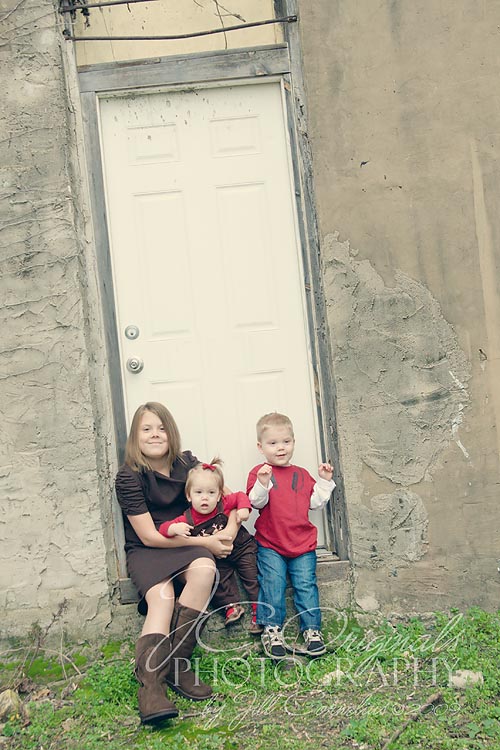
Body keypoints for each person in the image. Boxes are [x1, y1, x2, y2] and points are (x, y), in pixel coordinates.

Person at [115, 402, 236, 725]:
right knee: (163, 598)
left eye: (161, 428)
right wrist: (206, 543)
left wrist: (230, 528)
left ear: (171, 433)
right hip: (148, 548)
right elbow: (149, 536)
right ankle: (151, 687)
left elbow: (230, 497)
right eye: (146, 429)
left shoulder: (188, 464)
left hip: (186, 545)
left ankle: (177, 665)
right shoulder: (129, 476)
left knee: (205, 569)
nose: (155, 434)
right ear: (135, 436)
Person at [246, 412, 335, 660]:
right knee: (272, 584)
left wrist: (324, 481)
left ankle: (312, 630)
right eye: (273, 443)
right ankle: (272, 630)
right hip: (271, 544)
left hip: (302, 544)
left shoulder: (302, 474)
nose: (280, 448)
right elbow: (255, 502)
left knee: (305, 585)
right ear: (260, 447)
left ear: (294, 442)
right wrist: (263, 483)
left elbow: (314, 503)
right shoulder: (260, 473)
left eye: (286, 441)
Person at [158, 458, 262, 634]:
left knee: (251, 575)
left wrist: (244, 509)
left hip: (242, 548)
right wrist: (174, 529)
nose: (204, 497)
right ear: (189, 496)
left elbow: (240, 496)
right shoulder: (187, 519)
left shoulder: (224, 503)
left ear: (219, 495)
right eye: (198, 492)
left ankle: (258, 610)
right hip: (219, 556)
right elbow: (162, 529)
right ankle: (230, 607)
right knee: (218, 579)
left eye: (211, 493)